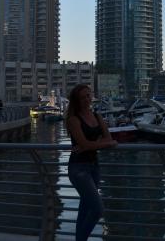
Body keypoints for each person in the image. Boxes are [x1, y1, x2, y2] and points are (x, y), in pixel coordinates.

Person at [65, 84, 117, 241]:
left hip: (94, 166)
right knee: (97, 210)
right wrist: (103, 144)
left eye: (89, 95)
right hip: (78, 169)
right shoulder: (73, 119)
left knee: (85, 208)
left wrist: (94, 144)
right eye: (83, 97)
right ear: (77, 100)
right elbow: (87, 144)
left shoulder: (97, 116)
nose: (87, 99)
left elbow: (107, 138)